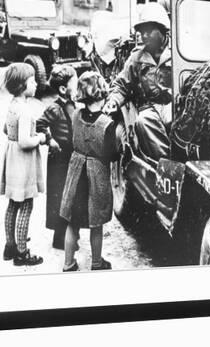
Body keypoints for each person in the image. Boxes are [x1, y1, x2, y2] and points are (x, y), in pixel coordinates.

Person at [59, 71, 118, 272]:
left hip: (76, 175)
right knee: (97, 223)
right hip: (96, 177)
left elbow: (71, 141)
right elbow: (113, 154)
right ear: (101, 94)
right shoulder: (107, 124)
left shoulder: (75, 114)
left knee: (72, 223)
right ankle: (96, 262)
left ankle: (68, 263)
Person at [103, 2, 172, 160]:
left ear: (162, 29)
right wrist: (114, 100)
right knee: (143, 121)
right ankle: (165, 163)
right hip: (149, 107)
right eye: (142, 32)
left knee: (176, 120)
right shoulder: (136, 58)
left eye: (149, 31)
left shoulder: (177, 53)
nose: (144, 36)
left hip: (173, 104)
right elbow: (121, 85)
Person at [0, 63, 46, 266]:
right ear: (22, 85)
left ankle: (10, 245)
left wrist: (17, 135)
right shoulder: (25, 111)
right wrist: (40, 138)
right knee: (26, 204)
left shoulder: (12, 106)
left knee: (13, 204)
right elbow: (25, 142)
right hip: (23, 163)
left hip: (12, 159)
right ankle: (22, 252)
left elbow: (5, 130)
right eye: (32, 80)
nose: (35, 84)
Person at [36, 65, 78, 250]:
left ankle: (68, 235)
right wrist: (50, 139)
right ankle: (59, 238)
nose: (77, 88)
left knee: (71, 196)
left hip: (71, 157)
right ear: (63, 89)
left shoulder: (73, 106)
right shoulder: (54, 108)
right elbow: (39, 125)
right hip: (59, 160)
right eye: (74, 85)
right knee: (60, 197)